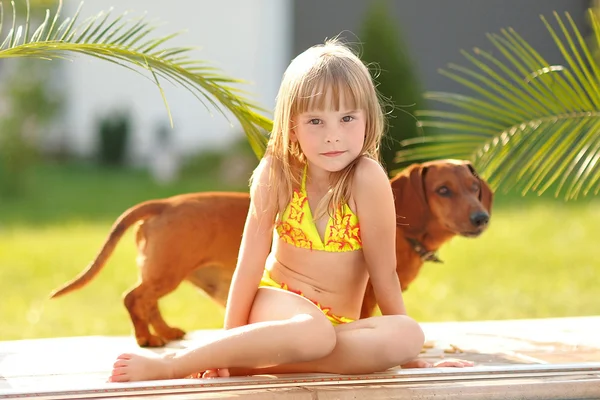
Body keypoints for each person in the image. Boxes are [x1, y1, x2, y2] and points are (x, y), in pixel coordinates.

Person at [109, 39, 472, 383]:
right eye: (316, 121)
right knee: (312, 332)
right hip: (276, 306)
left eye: (347, 119)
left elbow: (385, 273)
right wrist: (229, 339)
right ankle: (177, 365)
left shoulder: (368, 178)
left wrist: (410, 360)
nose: (333, 135)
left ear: (368, 118)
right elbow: (249, 262)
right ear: (293, 125)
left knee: (407, 334)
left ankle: (250, 366)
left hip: (335, 329)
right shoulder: (278, 172)